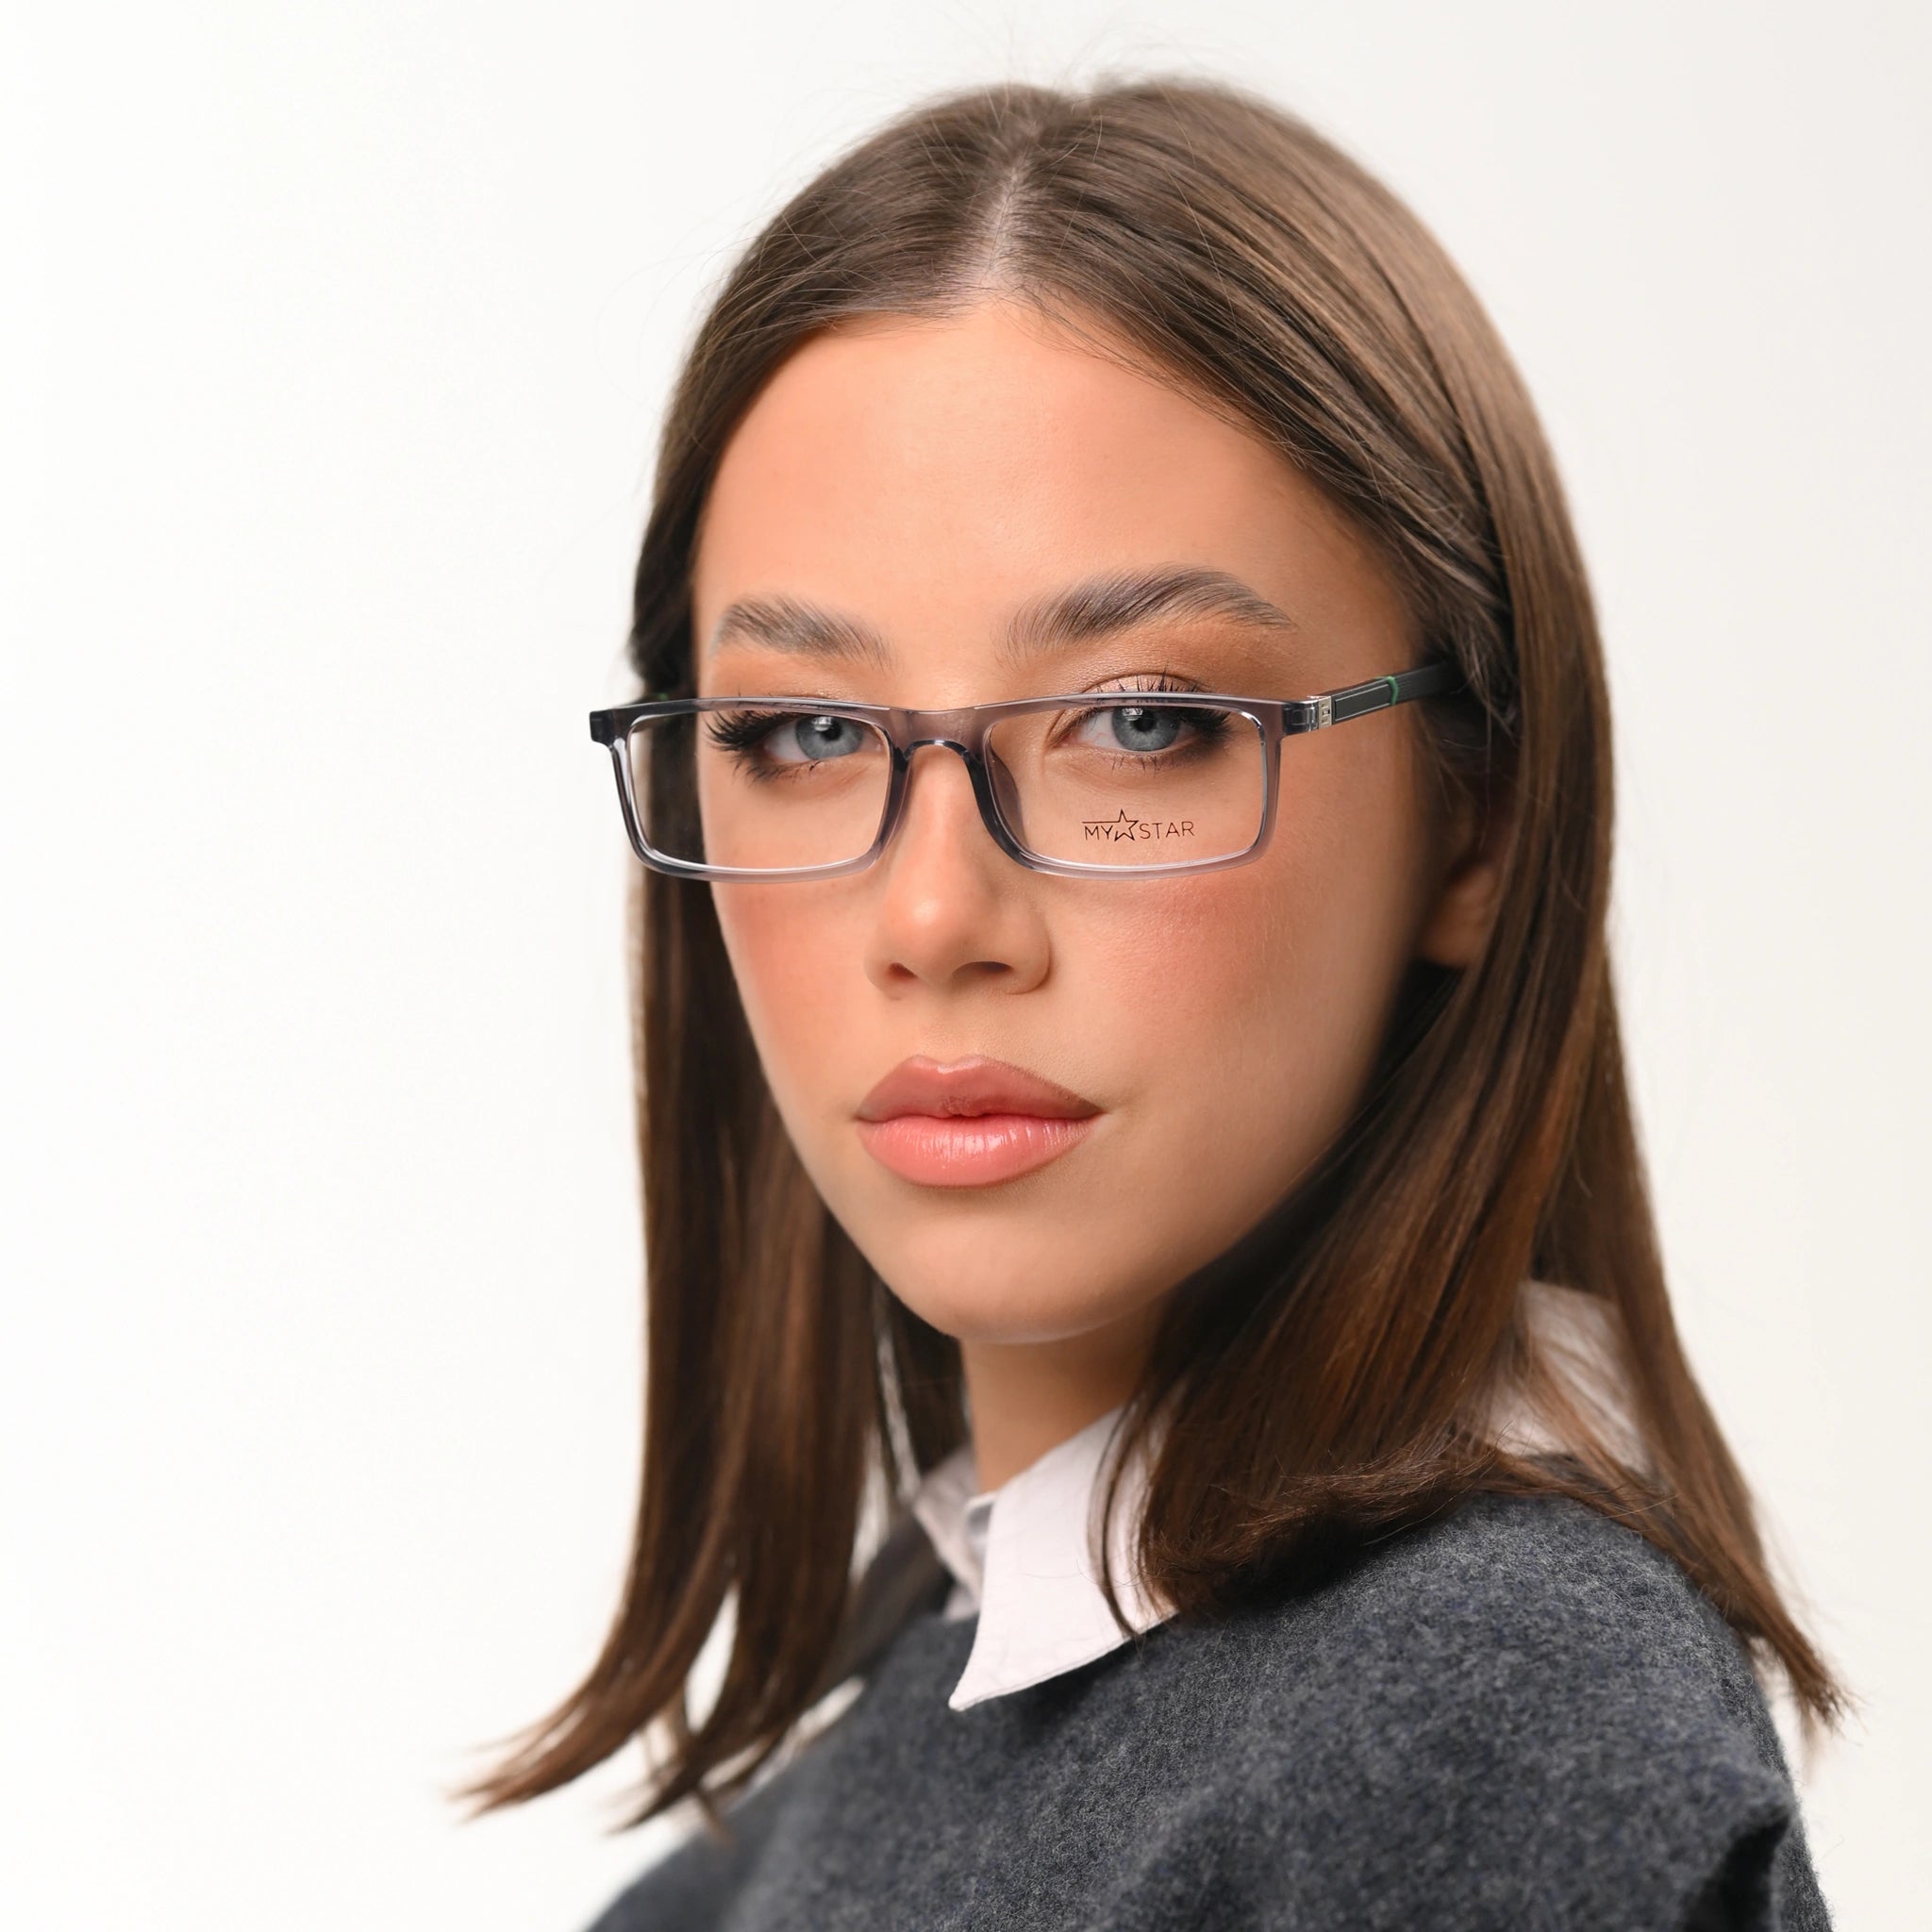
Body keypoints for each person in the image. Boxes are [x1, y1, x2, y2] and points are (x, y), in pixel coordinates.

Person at [458, 75, 1844, 1928]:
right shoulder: (762, 1856)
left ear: (1478, 813)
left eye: (1143, 720)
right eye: (800, 730)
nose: (937, 910)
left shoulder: (1478, 1722)